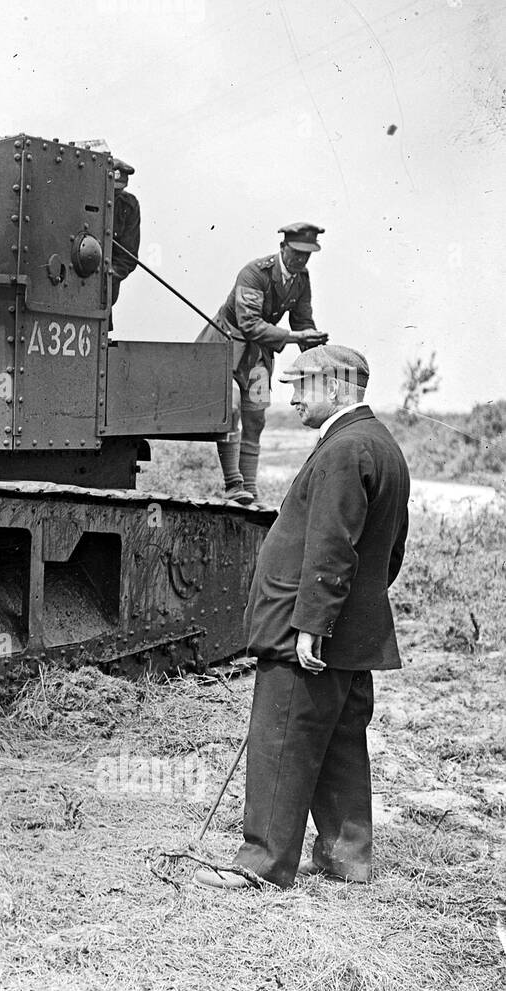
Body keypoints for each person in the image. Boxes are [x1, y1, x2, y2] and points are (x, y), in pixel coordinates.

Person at [195, 345, 410, 890]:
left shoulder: (343, 449)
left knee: (282, 741)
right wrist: (346, 616)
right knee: (339, 742)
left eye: (300, 386)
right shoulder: (381, 444)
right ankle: (345, 856)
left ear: (335, 388)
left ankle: (262, 865)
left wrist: (314, 623)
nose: (289, 397)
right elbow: (390, 554)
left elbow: (331, 545)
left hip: (306, 632)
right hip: (350, 634)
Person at [197, 223, 329, 503]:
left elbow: (302, 321)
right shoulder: (255, 273)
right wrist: (295, 337)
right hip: (225, 347)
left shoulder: (301, 280)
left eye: (307, 255)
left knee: (256, 416)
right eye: (297, 253)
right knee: (230, 405)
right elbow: (249, 324)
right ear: (283, 248)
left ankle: (250, 490)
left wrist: (314, 343)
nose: (302, 260)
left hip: (257, 355)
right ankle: (234, 484)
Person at [109, 158, 140, 321]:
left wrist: (107, 276)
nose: (114, 195)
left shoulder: (129, 205)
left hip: (104, 295)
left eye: (118, 191)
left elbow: (128, 257)